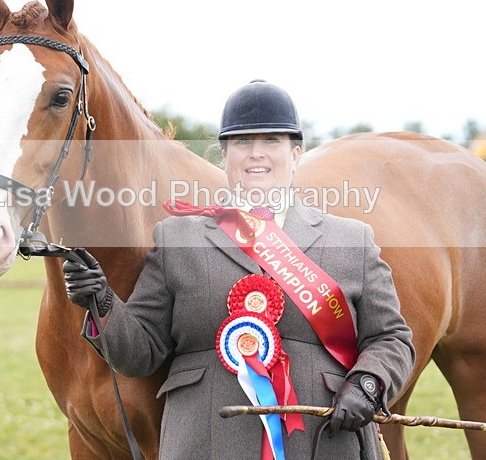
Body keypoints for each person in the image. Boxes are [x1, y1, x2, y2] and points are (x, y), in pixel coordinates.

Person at [63, 80, 415, 459]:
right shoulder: (176, 237)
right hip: (203, 442)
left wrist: (367, 383)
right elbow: (140, 354)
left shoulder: (352, 239)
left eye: (272, 142)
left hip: (323, 441)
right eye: (242, 143)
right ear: (223, 155)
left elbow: (392, 338)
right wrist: (101, 301)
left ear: (297, 154)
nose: (256, 155)